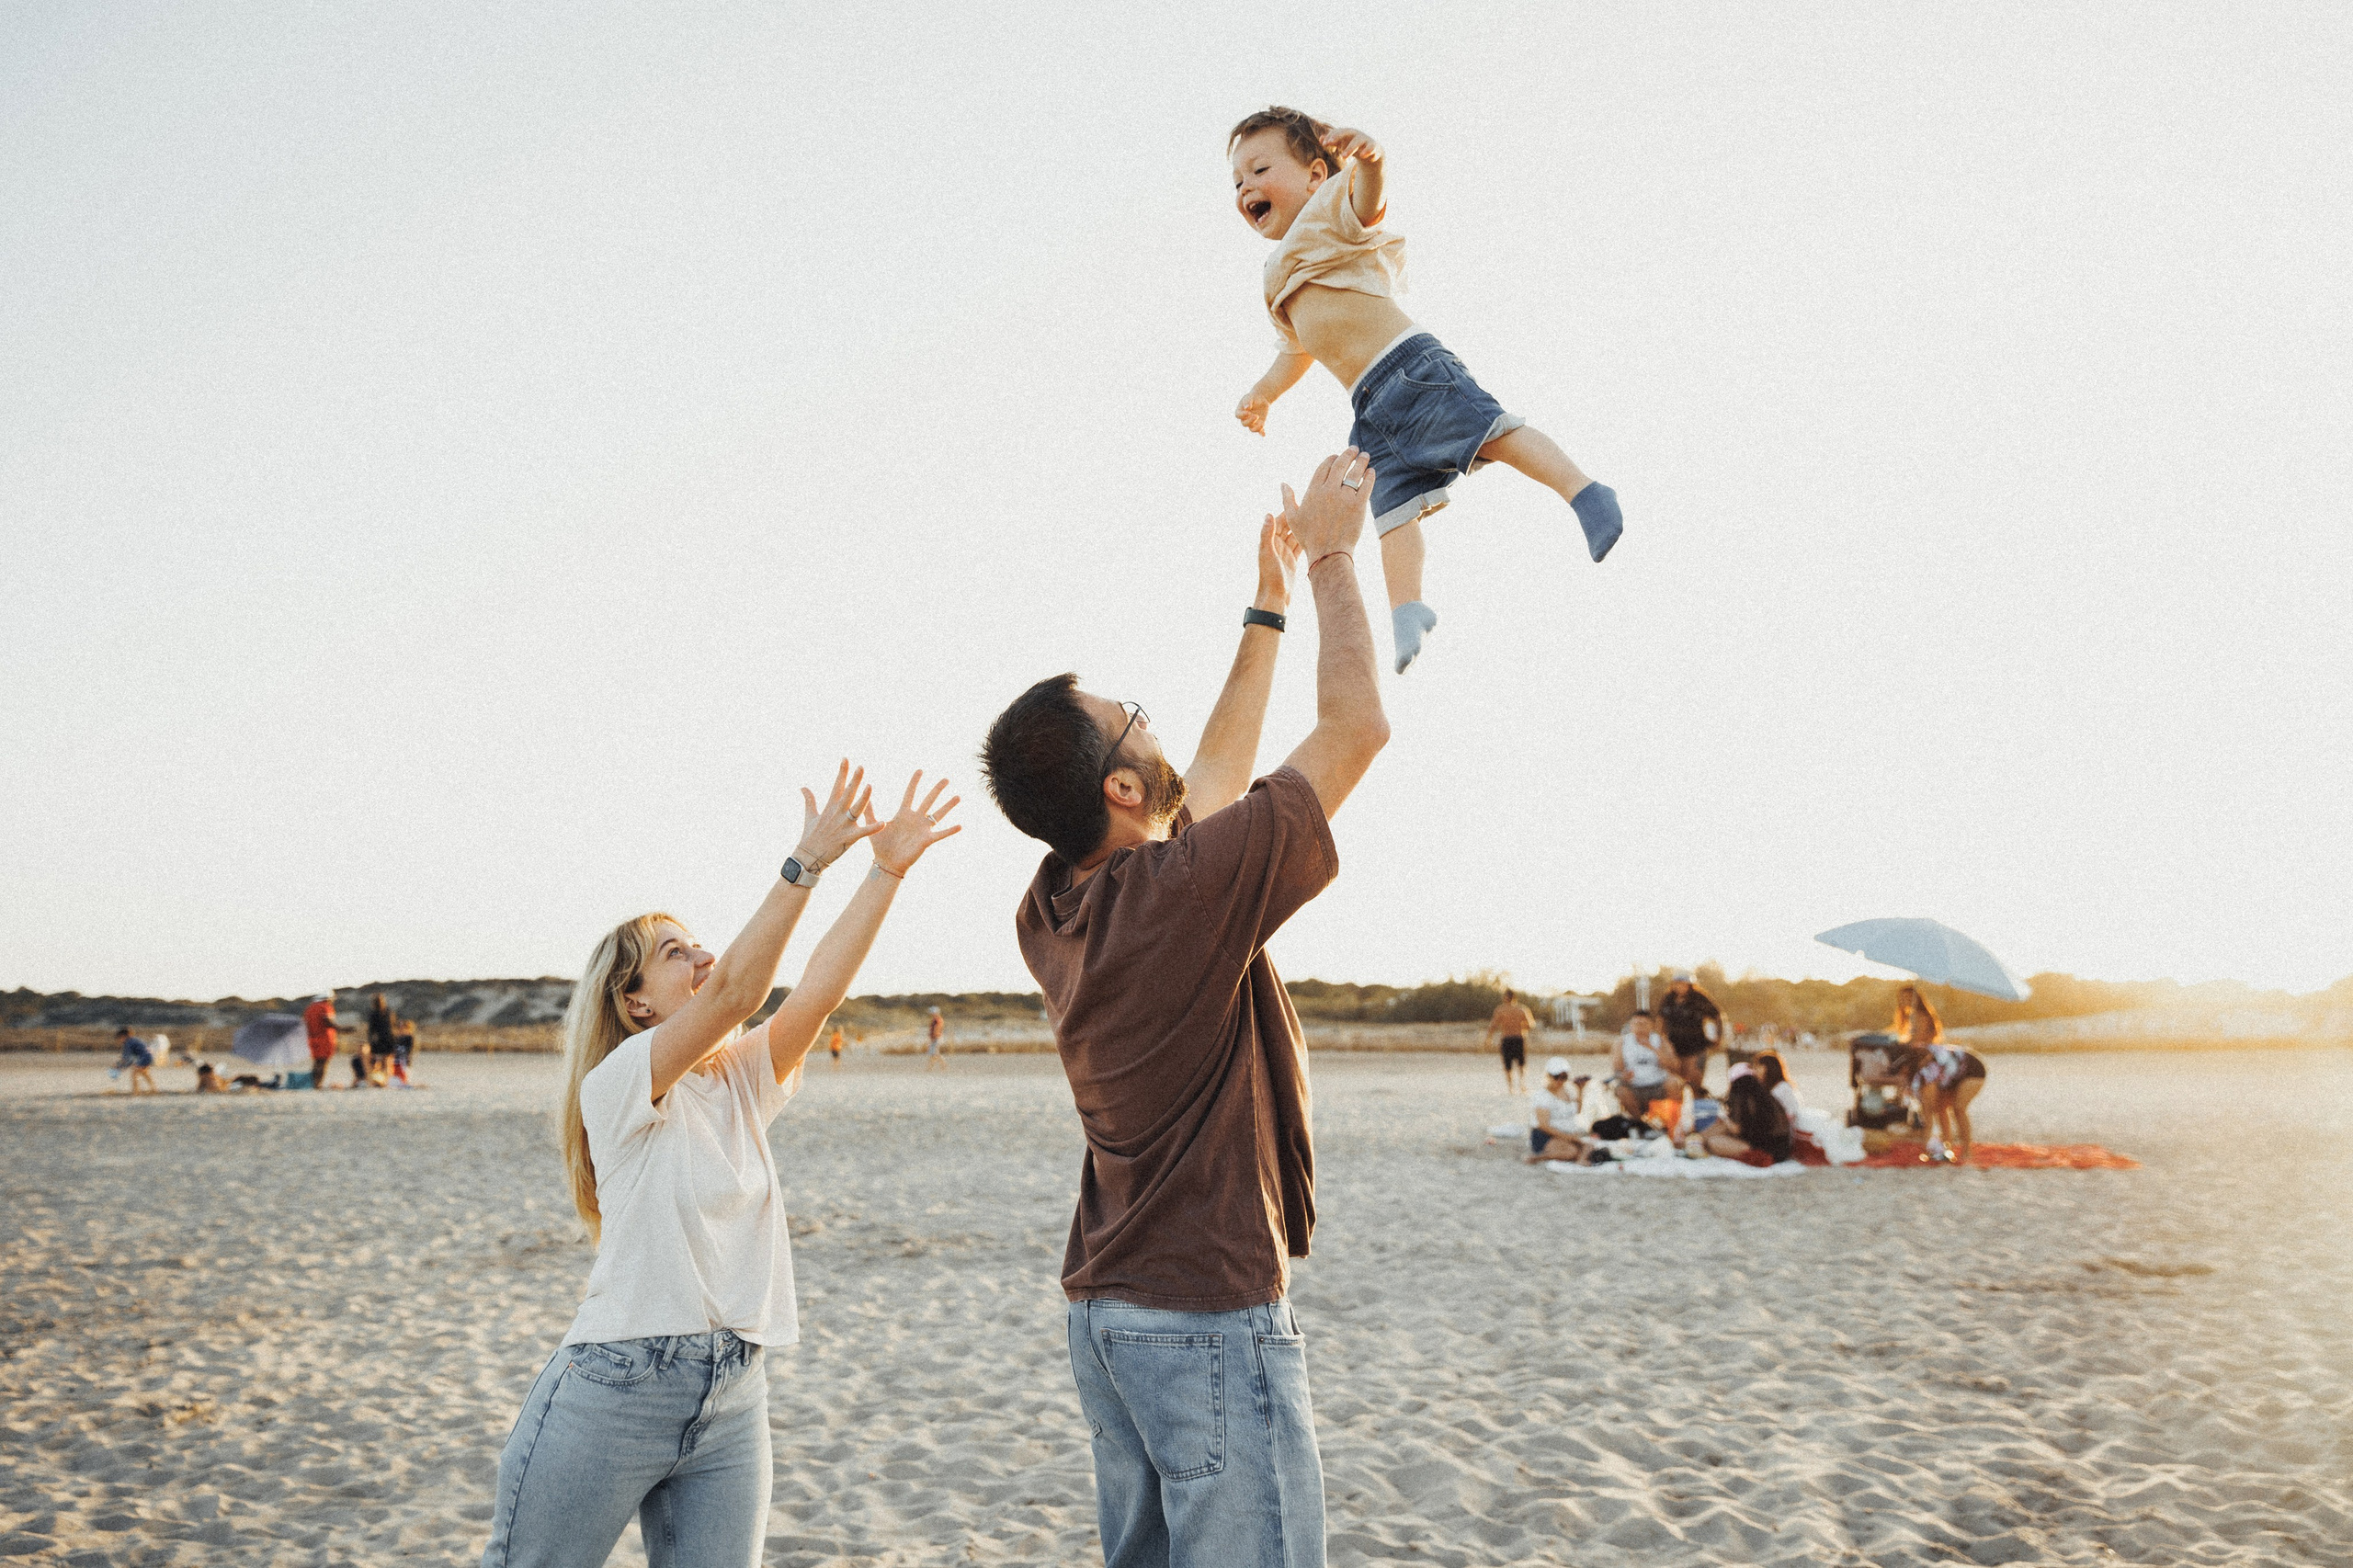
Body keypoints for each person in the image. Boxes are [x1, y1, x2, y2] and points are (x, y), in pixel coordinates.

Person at [980, 449, 1389, 1567]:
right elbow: (1356, 726)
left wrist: (1269, 601)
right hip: (1204, 1316)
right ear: (1117, 785)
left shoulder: (1056, 902)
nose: (1150, 729)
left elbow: (1201, 786)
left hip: (1112, 1317)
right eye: (1132, 717)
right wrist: (1342, 553)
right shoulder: (1169, 901)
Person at [481, 762, 961, 1567]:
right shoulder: (620, 1084)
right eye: (676, 954)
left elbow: (816, 991)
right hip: (615, 1389)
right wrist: (803, 865)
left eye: (698, 944)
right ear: (636, 1003)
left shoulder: (739, 1080)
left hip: (734, 1394)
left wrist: (885, 871)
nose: (701, 957)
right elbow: (738, 989)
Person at [1227, 107, 1621, 672]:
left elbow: (1367, 202)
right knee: (1393, 509)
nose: (1247, 188)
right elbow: (1296, 350)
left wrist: (1372, 161)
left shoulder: (1328, 208)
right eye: (1238, 181)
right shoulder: (1274, 274)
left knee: (1494, 436)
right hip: (1369, 404)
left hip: (1408, 365)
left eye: (1261, 170)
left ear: (1315, 175)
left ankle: (1586, 493)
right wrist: (1264, 394)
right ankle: (1408, 609)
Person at [1892, 985, 1986, 1164]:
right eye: (1901, 998)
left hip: (1972, 1069)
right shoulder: (1910, 1021)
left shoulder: (1925, 1071)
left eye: (1907, 998)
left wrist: (1908, 1041)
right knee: (1940, 1108)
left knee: (1958, 1108)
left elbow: (1926, 1114)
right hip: (1949, 1069)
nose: (1904, 1002)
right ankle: (1946, 1147)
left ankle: (1966, 1151)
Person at [1700, 1065, 1793, 1165]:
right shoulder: (1764, 1095)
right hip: (1775, 1148)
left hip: (1765, 1150)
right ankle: (1695, 1141)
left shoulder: (1744, 1098)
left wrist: (1725, 1119)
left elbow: (1736, 1129)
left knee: (1714, 1142)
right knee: (1721, 1127)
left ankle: (1694, 1142)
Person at [1656, 970, 1722, 1096]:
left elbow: (1717, 1015)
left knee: (1695, 1080)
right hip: (1674, 1046)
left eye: (1683, 984)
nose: (1680, 987)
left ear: (1690, 985)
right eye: (1677, 983)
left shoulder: (1699, 999)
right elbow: (1661, 1019)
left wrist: (1718, 1035)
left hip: (1696, 1047)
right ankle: (1678, 1112)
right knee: (1675, 1082)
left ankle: (1698, 1108)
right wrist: (1660, 1040)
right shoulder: (1668, 999)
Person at [1525, 1057, 1592, 1163]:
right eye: (1556, 1077)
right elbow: (1543, 1125)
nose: (1560, 1081)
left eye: (1564, 1077)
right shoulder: (1542, 1096)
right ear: (1548, 1076)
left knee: (1589, 1147)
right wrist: (1568, 1137)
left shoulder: (1567, 1091)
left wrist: (1580, 1090)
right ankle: (1538, 1158)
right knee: (1571, 1152)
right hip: (1546, 1135)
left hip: (1566, 1134)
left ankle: (1580, 1160)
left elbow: (1577, 1111)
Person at [1609, 1010, 1675, 1119]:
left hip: (1657, 1083)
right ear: (1630, 1026)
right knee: (1621, 1090)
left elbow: (1674, 1066)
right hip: (1634, 1085)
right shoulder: (1622, 1042)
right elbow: (1617, 1070)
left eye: (1644, 1024)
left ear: (1652, 1025)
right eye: (1636, 1024)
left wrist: (1654, 1049)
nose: (1640, 1028)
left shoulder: (1660, 1041)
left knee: (1673, 1083)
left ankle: (1670, 1120)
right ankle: (1640, 1123)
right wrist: (1623, 1076)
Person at [1483, 988, 1536, 1093]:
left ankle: (1511, 1087)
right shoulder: (1522, 1009)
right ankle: (1522, 1084)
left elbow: (1493, 1025)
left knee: (1508, 1064)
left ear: (1505, 998)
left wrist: (1488, 1038)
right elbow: (1530, 1025)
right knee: (1521, 1063)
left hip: (1507, 1038)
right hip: (1519, 1038)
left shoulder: (1501, 1010)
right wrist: (1521, 1027)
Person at [302, 994, 337, 1089]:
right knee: (323, 1062)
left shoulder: (309, 1009)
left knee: (317, 1062)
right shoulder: (325, 1007)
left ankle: (313, 1083)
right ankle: (318, 1084)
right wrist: (341, 1029)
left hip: (312, 1039)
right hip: (324, 1039)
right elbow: (328, 1022)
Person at [111, 1028, 158, 1095]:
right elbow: (130, 1060)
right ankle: (153, 1088)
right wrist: (121, 1067)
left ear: (123, 1036)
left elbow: (126, 1058)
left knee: (134, 1073)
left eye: (119, 1039)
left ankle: (136, 1091)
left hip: (145, 1058)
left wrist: (118, 1066)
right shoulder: (135, 1040)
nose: (119, 1041)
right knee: (144, 1073)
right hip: (150, 1057)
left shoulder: (128, 1043)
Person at [366, 994, 395, 1085]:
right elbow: (392, 1025)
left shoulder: (374, 1014)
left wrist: (370, 1042)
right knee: (387, 1061)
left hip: (379, 1040)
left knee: (379, 1061)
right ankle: (386, 1080)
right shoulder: (388, 1012)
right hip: (389, 1039)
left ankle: (380, 1079)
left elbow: (371, 1030)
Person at [390, 1015, 417, 1086]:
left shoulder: (410, 1038)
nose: (401, 1030)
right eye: (399, 1028)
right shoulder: (394, 1039)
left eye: (403, 1028)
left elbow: (408, 1052)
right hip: (394, 1064)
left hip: (404, 1064)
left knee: (403, 1082)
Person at [924, 1006, 946, 1070]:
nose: (931, 1014)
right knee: (934, 1053)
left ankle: (930, 1067)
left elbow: (937, 1029)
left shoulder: (938, 1020)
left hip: (937, 1038)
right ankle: (943, 1066)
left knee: (935, 1053)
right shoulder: (934, 1020)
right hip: (935, 1037)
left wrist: (934, 1037)